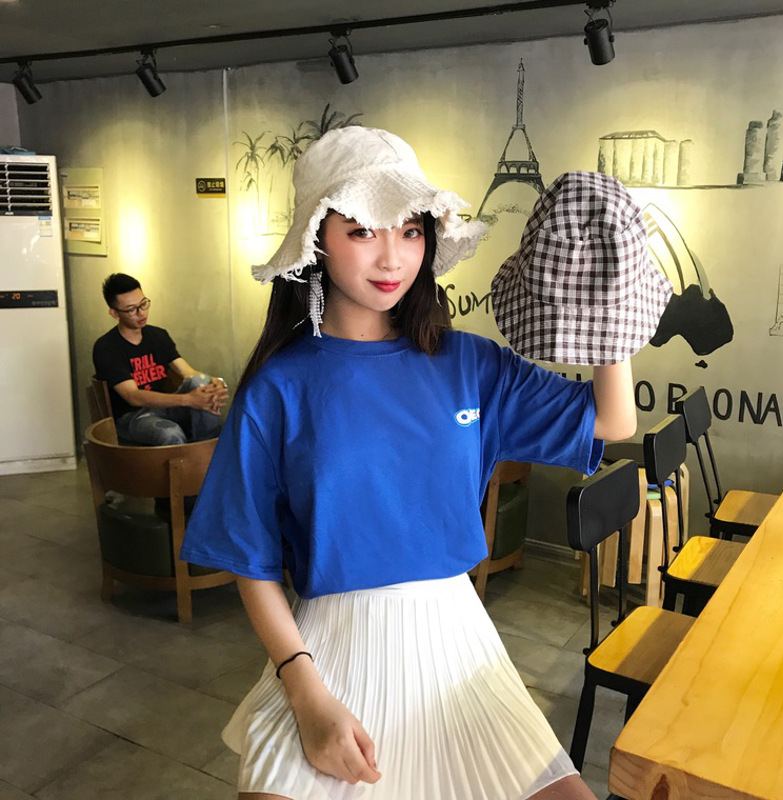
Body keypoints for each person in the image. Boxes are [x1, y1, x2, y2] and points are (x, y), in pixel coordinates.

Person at [180, 127, 638, 800]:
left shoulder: (469, 364)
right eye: (363, 231)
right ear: (316, 239)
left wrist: (609, 307)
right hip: (327, 657)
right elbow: (249, 558)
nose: (393, 256)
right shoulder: (279, 386)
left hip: (459, 649)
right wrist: (306, 695)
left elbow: (611, 421)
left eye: (411, 231)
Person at [92, 272, 228, 446]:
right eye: (131, 310)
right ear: (114, 313)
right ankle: (195, 458)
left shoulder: (158, 336)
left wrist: (213, 382)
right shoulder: (106, 347)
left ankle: (210, 452)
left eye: (143, 304)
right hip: (132, 418)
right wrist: (188, 400)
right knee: (170, 433)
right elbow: (133, 396)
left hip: (164, 408)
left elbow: (188, 373)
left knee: (201, 381)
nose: (141, 313)